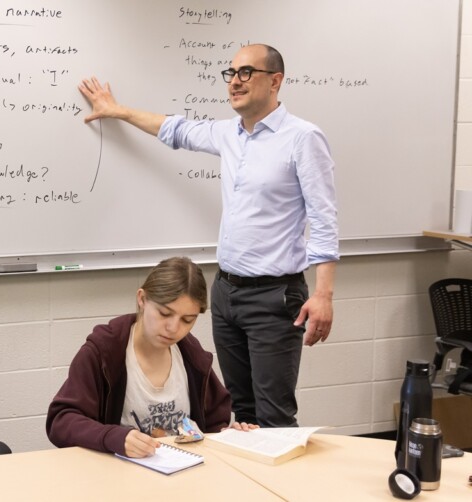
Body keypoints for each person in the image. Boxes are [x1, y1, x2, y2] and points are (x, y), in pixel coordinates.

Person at [77, 44, 338, 427]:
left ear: (275, 81)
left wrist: (323, 294)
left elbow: (324, 217)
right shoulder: (228, 134)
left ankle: (280, 487)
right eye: (231, 73)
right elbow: (174, 129)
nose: (235, 81)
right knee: (240, 414)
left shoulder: (302, 138)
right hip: (226, 292)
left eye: (246, 73)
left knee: (275, 417)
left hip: (275, 297)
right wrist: (117, 109)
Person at [47, 257, 256, 458]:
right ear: (142, 299)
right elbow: (61, 421)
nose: (174, 328)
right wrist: (113, 437)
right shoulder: (105, 352)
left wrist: (230, 435)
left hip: (181, 477)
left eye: (187, 320)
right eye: (165, 313)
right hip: (119, 479)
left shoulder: (193, 356)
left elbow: (213, 425)